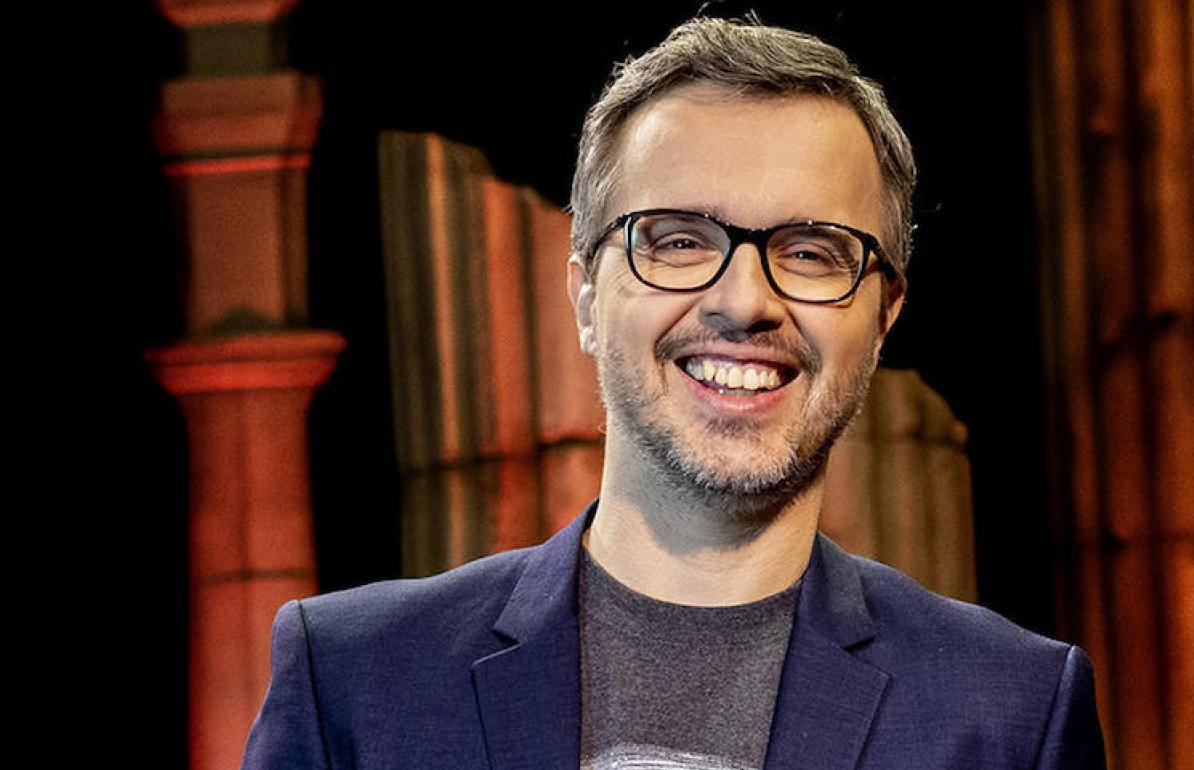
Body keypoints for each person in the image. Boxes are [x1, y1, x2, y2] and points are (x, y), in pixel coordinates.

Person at [242, 17, 1106, 770]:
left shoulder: (1013, 710)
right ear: (587, 296)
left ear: (883, 318)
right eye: (680, 240)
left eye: (811, 252)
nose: (745, 301)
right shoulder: (352, 679)